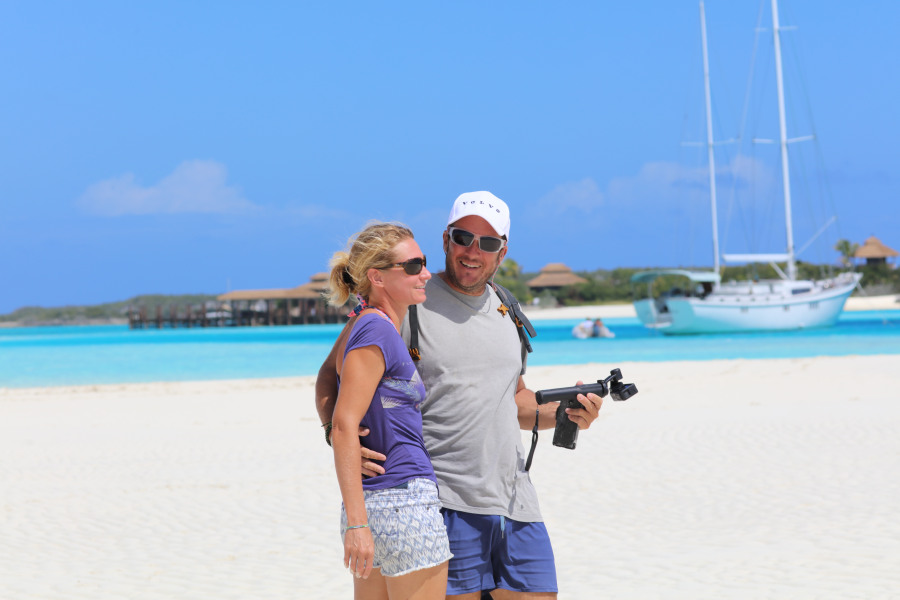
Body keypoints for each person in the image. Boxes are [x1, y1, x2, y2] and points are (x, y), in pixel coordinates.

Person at [316, 192, 605, 599]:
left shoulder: (507, 308)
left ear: (502, 251)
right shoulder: (407, 299)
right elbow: (330, 376)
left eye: (487, 242)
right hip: (444, 502)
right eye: (463, 237)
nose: (473, 251)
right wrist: (336, 434)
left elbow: (513, 401)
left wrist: (567, 413)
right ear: (446, 239)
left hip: (516, 502)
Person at [324, 222, 452, 599]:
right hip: (404, 501)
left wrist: (358, 521)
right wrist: (356, 526)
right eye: (412, 266)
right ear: (377, 277)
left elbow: (325, 380)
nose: (425, 274)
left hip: (376, 505)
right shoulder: (376, 329)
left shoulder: (363, 323)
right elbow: (345, 423)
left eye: (423, 263)